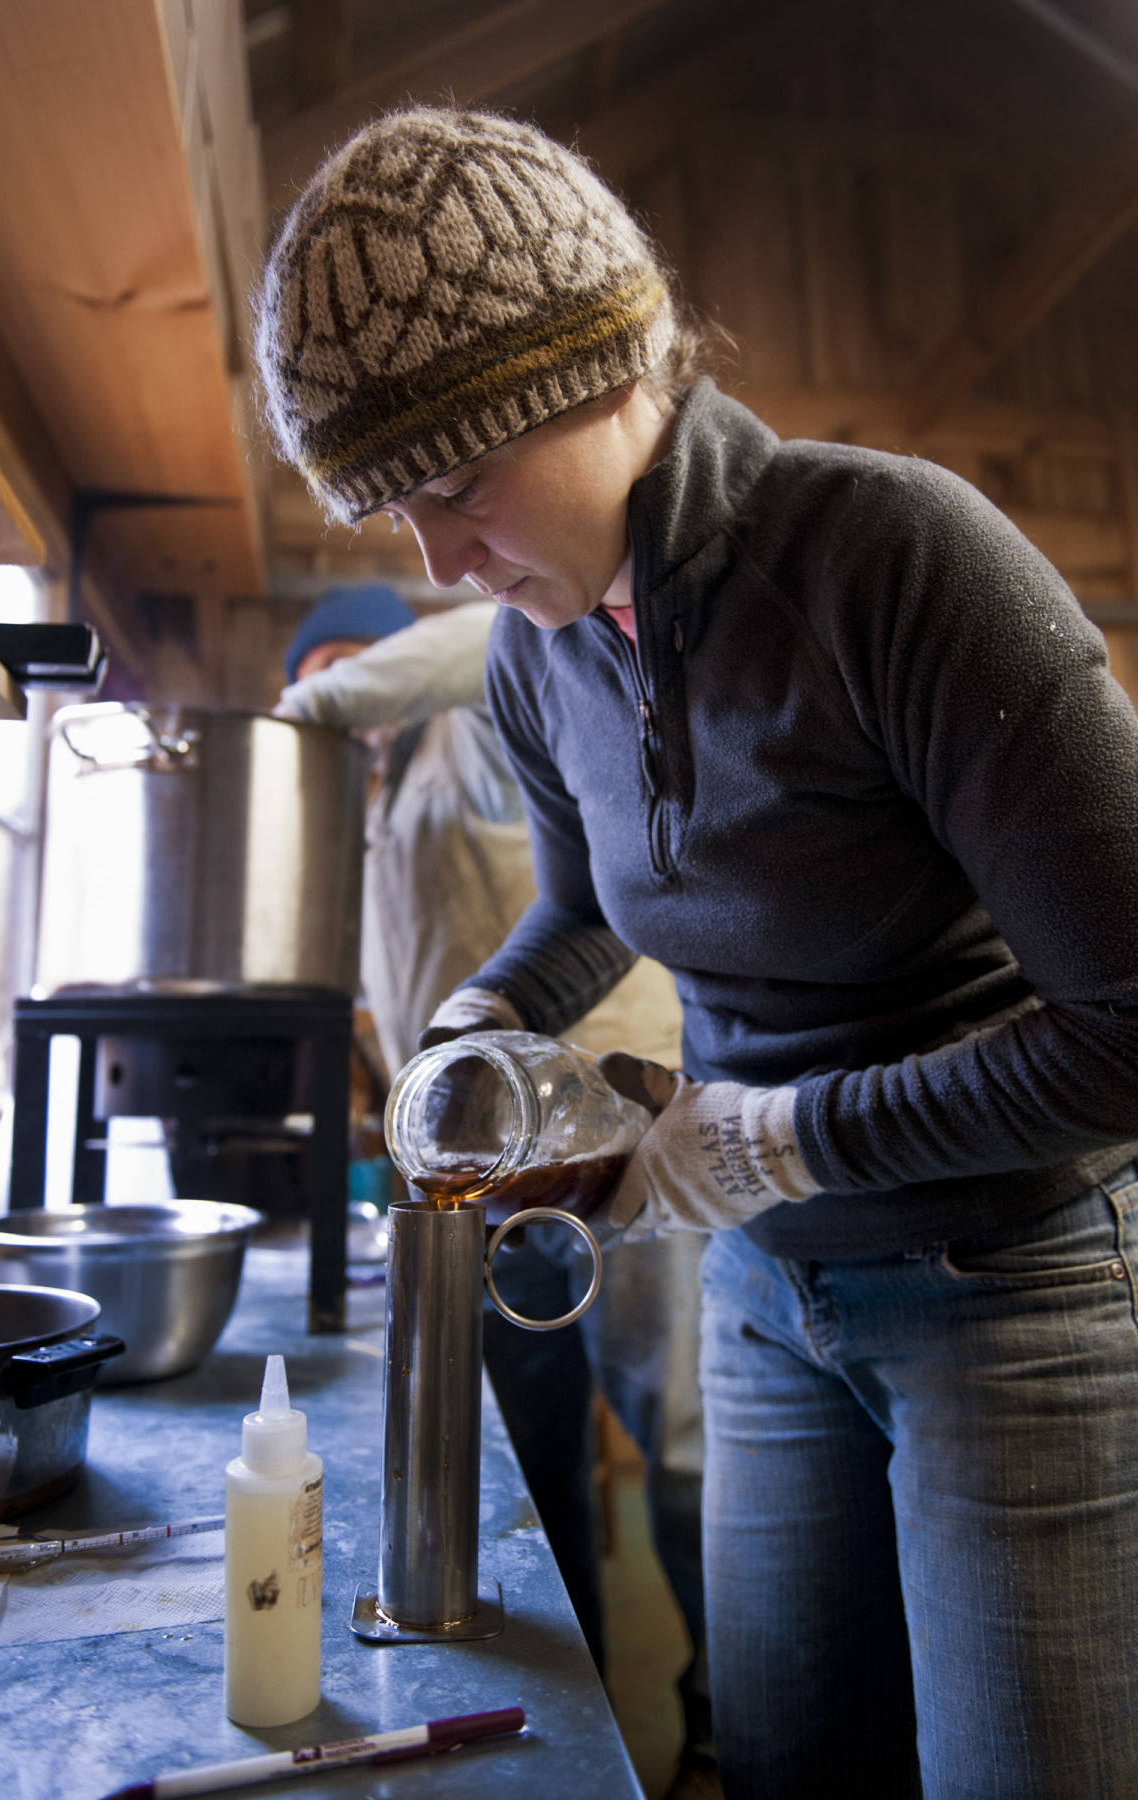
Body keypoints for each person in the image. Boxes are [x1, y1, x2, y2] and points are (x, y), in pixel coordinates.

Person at [253, 106, 1138, 1798]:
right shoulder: (534, 655)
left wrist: (770, 1137)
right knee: (791, 1762)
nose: (433, 560)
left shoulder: (896, 561)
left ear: (597, 382)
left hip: (1006, 1284)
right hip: (764, 1296)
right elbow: (588, 905)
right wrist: (480, 1018)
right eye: (392, 514)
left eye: (453, 484)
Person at [275, 583, 716, 1798]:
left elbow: (484, 636)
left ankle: (723, 1727)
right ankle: (571, 1708)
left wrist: (308, 701)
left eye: (364, 670)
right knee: (523, 1467)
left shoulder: (476, 717)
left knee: (680, 1440)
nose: (357, 703)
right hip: (480, 1176)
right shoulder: (361, 810)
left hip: (621, 1142)